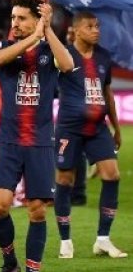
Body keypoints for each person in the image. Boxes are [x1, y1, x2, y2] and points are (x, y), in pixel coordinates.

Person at [0, 0, 74, 272]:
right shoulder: (6, 47)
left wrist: (47, 31)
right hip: (8, 141)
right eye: (13, 17)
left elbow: (68, 65)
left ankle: (32, 268)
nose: (15, 23)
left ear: (37, 20)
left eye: (22, 18)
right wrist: (32, 37)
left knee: (37, 210)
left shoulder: (50, 51)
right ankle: (9, 260)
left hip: (39, 142)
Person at [54, 11, 127, 259]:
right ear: (76, 29)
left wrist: (116, 127)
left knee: (112, 175)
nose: (96, 30)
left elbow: (108, 94)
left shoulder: (104, 57)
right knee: (65, 180)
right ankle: (65, 240)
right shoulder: (63, 55)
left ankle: (103, 239)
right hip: (69, 128)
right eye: (90, 26)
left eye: (97, 26)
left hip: (98, 129)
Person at [64, 25, 89, 206]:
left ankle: (78, 193)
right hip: (66, 111)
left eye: (73, 33)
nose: (70, 36)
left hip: (81, 110)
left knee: (78, 152)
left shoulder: (85, 57)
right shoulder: (63, 54)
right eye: (68, 33)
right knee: (65, 152)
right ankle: (67, 191)